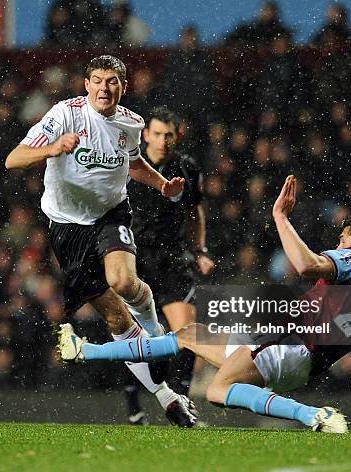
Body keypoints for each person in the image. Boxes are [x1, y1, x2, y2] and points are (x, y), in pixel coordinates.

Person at [60, 175, 351, 432]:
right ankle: (84, 351)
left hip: (289, 345)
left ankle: (311, 414)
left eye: (343, 239)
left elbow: (307, 265)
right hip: (295, 355)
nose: (339, 245)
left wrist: (280, 217)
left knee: (217, 389)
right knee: (188, 335)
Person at [5, 55, 196, 426]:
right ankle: (166, 396)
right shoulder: (65, 115)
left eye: (112, 81)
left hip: (111, 214)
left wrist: (162, 185)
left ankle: (155, 337)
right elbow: (13, 159)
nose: (104, 88)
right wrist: (52, 148)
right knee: (114, 315)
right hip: (67, 225)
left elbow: (133, 162)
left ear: (123, 87)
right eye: (98, 80)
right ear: (86, 84)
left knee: (124, 281)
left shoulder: (131, 123)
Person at [123, 107, 215, 424]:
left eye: (169, 135)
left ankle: (182, 402)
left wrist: (199, 249)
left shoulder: (187, 168)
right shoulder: (128, 165)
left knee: (187, 333)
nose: (163, 141)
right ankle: (133, 402)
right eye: (158, 133)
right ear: (146, 134)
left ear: (178, 136)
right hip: (135, 257)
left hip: (173, 257)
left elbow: (195, 212)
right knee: (138, 338)